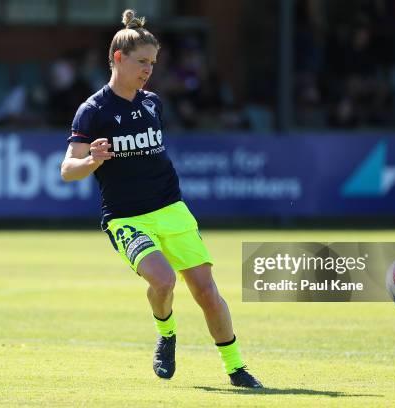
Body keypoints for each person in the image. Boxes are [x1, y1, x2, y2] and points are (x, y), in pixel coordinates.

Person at [60, 9, 262, 388]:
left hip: (172, 209)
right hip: (127, 218)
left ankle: (236, 368)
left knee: (206, 291)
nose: (148, 70)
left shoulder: (152, 103)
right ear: (118, 58)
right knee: (164, 281)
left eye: (152, 62)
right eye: (142, 62)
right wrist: (92, 159)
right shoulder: (93, 110)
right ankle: (166, 334)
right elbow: (67, 169)